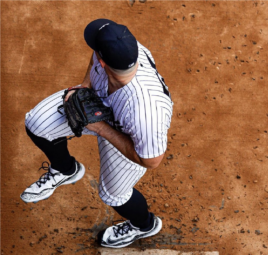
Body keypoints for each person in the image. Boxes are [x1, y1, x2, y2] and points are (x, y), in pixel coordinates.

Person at [21, 19, 173, 248]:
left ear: (104, 62)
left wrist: (101, 128)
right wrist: (84, 87)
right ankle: (66, 169)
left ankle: (144, 224)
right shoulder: (124, 50)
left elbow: (151, 160)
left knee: (113, 196)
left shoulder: (147, 111)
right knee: (37, 123)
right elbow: (95, 58)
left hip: (129, 137)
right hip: (98, 103)